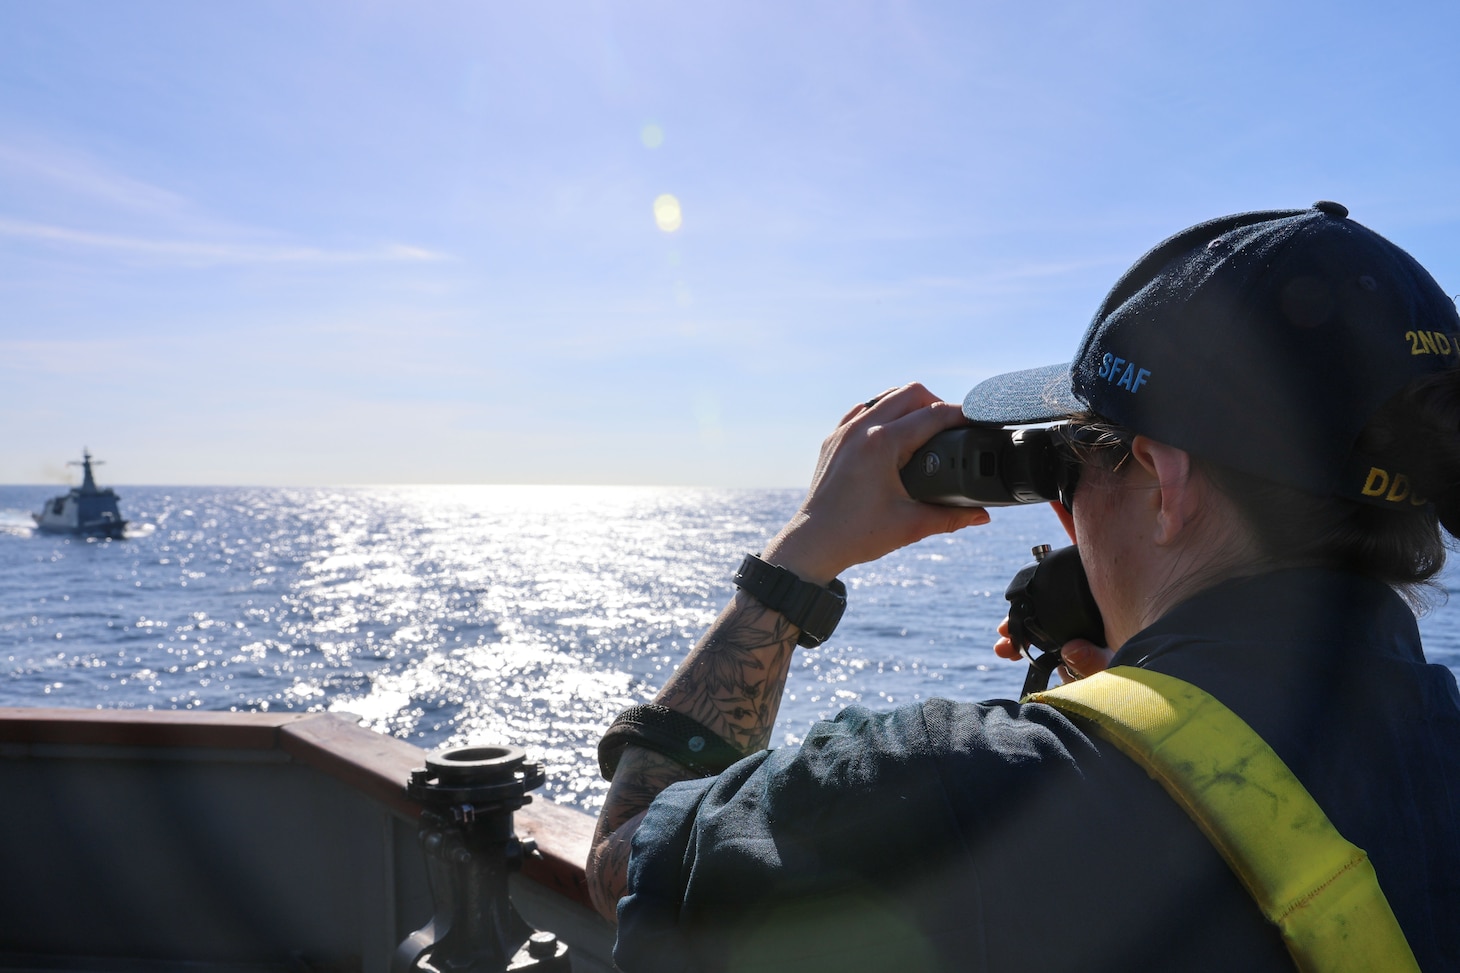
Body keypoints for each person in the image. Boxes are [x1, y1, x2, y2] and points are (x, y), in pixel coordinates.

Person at [586, 202, 1460, 972]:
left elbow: (625, 858)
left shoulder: (951, 788)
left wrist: (793, 569)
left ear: (1166, 481)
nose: (1063, 511)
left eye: (1069, 468)